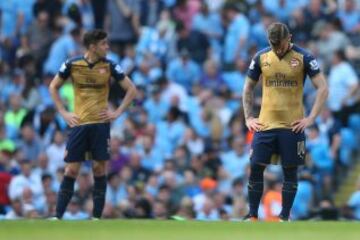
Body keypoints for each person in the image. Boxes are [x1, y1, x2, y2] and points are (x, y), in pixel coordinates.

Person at [242, 22, 328, 221]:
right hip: (265, 125)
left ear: (289, 38)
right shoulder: (261, 57)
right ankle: (252, 215)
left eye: (280, 45)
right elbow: (247, 88)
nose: (277, 50)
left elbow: (323, 88)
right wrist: (248, 117)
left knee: (290, 171)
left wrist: (311, 118)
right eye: (273, 46)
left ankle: (284, 217)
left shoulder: (304, 57)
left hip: (292, 126)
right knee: (255, 167)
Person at [49, 29, 137, 220]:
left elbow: (131, 89)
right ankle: (57, 217)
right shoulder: (72, 65)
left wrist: (117, 112)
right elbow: (53, 87)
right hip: (79, 124)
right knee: (72, 170)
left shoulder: (110, 66)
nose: (107, 47)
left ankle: (96, 218)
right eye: (104, 44)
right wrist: (64, 113)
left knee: (99, 169)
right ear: (92, 46)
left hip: (100, 125)